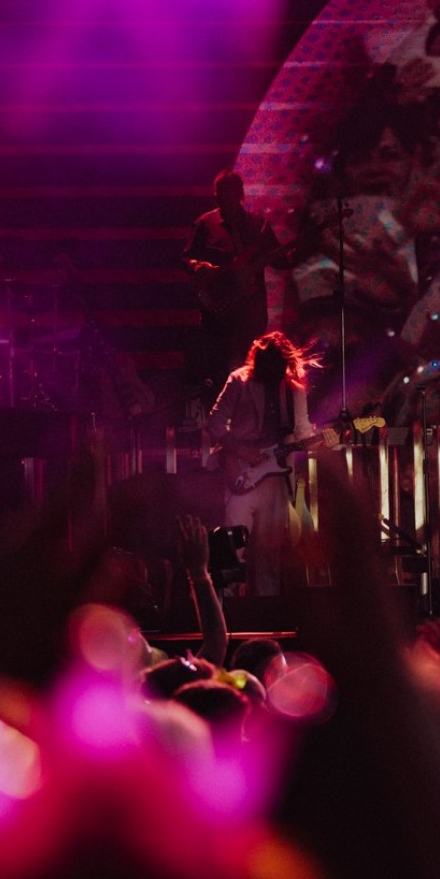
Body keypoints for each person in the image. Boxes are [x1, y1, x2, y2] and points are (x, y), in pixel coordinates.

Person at [205, 332, 334, 597]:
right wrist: (240, 450)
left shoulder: (294, 390)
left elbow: (303, 435)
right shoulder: (239, 381)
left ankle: (268, 614)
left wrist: (326, 440)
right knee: (232, 549)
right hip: (240, 472)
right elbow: (215, 422)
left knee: (269, 556)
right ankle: (223, 610)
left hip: (277, 479)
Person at [183, 170, 284, 396]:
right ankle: (219, 419)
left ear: (240, 195)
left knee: (252, 368)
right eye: (219, 195)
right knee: (218, 370)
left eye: (227, 194)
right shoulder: (205, 223)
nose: (222, 199)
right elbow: (185, 257)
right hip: (217, 311)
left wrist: (305, 248)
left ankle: (251, 422)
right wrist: (197, 266)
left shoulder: (258, 226)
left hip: (250, 312)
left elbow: (280, 262)